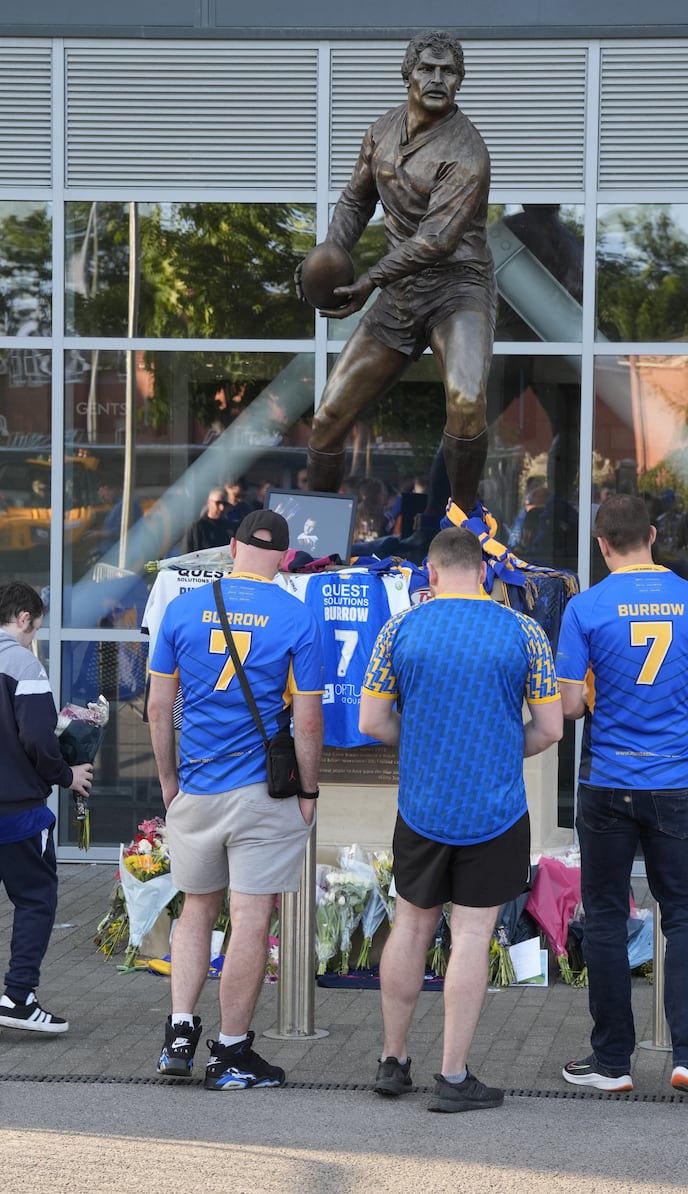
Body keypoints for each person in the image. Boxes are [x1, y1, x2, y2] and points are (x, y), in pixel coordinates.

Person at [359, 527, 562, 1112]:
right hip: (495, 809)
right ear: (484, 571)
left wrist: (420, 741)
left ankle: (393, 1061)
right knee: (471, 936)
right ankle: (452, 1077)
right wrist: (501, 749)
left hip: (422, 807)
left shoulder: (400, 629)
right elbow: (549, 729)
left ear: (430, 569)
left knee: (411, 928)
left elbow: (372, 722)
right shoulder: (523, 631)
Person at [556, 494, 688, 1102]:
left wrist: (605, 695)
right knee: (684, 914)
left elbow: (572, 706)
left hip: (607, 781)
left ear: (602, 544)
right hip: (672, 784)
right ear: (654, 536)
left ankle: (613, 1061)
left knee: (606, 917)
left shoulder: (585, 607)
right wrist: (672, 696)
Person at [147, 510, 325, 1090]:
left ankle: (178, 1033)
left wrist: (168, 780)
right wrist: (310, 788)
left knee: (196, 909)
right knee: (251, 919)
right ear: (285, 559)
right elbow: (307, 718)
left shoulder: (181, 609)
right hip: (262, 795)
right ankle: (229, 1053)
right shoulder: (297, 615)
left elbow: (156, 708)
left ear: (231, 547)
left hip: (195, 788)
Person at [298, 30, 496, 515]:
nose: (436, 78)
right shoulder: (380, 131)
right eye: (427, 68)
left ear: (460, 81)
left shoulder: (468, 153)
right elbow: (354, 200)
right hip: (401, 292)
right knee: (326, 417)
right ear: (407, 73)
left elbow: (435, 240)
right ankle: (317, 539)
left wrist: (366, 281)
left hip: (459, 289)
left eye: (447, 71)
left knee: (467, 399)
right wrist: (327, 260)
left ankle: (465, 524)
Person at [0, 581, 93, 1034]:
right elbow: (38, 739)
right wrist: (67, 775)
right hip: (16, 808)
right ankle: (17, 997)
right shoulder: (22, 663)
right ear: (23, 619)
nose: (35, 634)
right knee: (36, 899)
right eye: (36, 627)